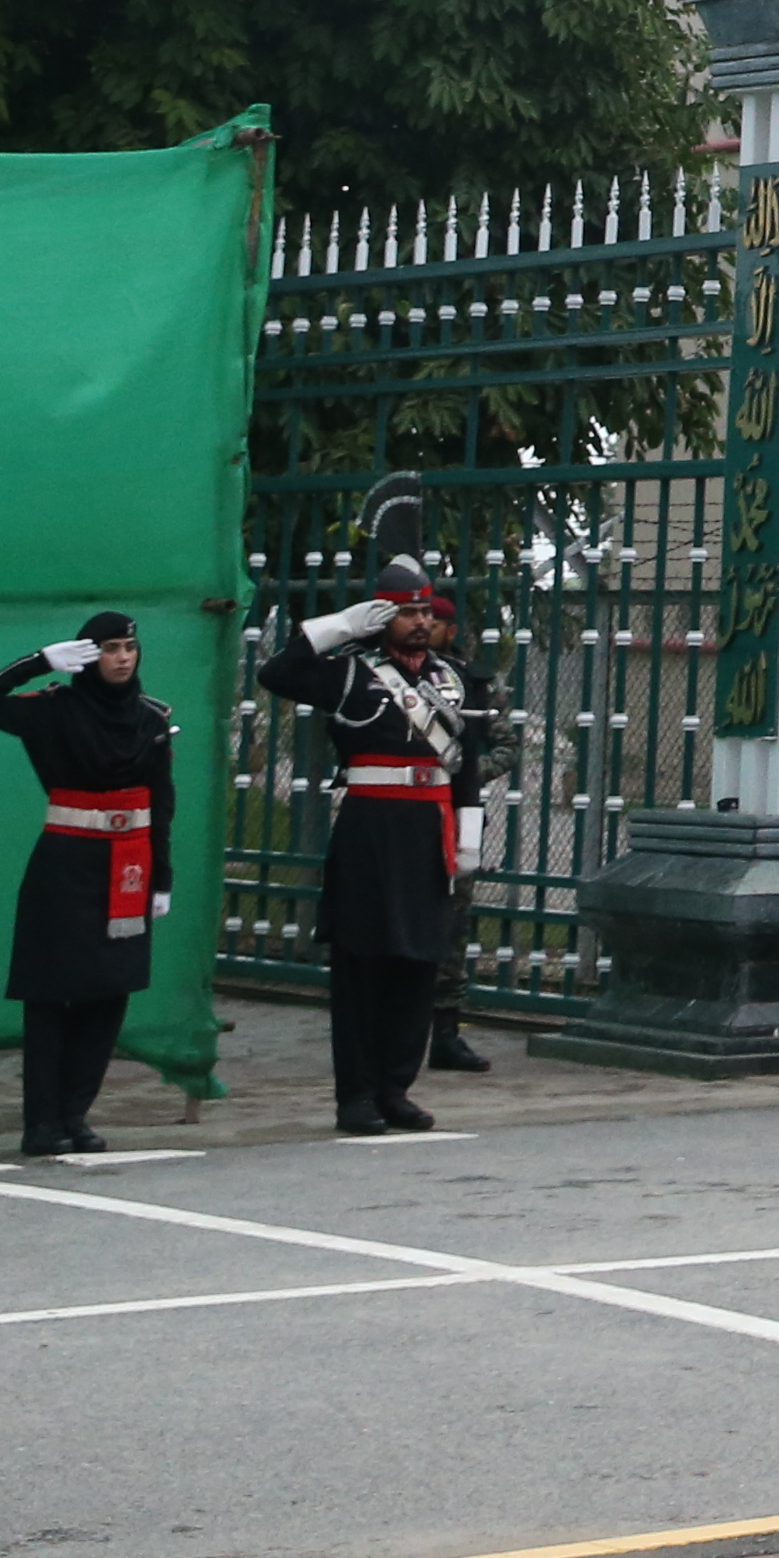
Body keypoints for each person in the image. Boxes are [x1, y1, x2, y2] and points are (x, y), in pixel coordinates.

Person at [261, 477, 504, 1139]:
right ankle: (357, 1094)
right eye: (404, 611)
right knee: (364, 966)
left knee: (419, 964)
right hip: (370, 829)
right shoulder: (349, 671)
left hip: (430, 830)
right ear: (379, 616)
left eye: (425, 610)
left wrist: (470, 844)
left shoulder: (455, 679)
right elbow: (275, 676)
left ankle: (397, 1085)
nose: (420, 620)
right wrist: (338, 628)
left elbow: (468, 767)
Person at [0, 609, 178, 1158]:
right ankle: (41, 1122)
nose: (123, 657)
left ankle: (76, 1113)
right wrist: (37, 662)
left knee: (109, 993)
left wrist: (162, 877)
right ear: (85, 656)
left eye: (129, 646)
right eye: (108, 648)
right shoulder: (53, 711)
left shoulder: (152, 719)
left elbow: (162, 802)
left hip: (128, 863)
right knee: (51, 995)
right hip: (65, 863)